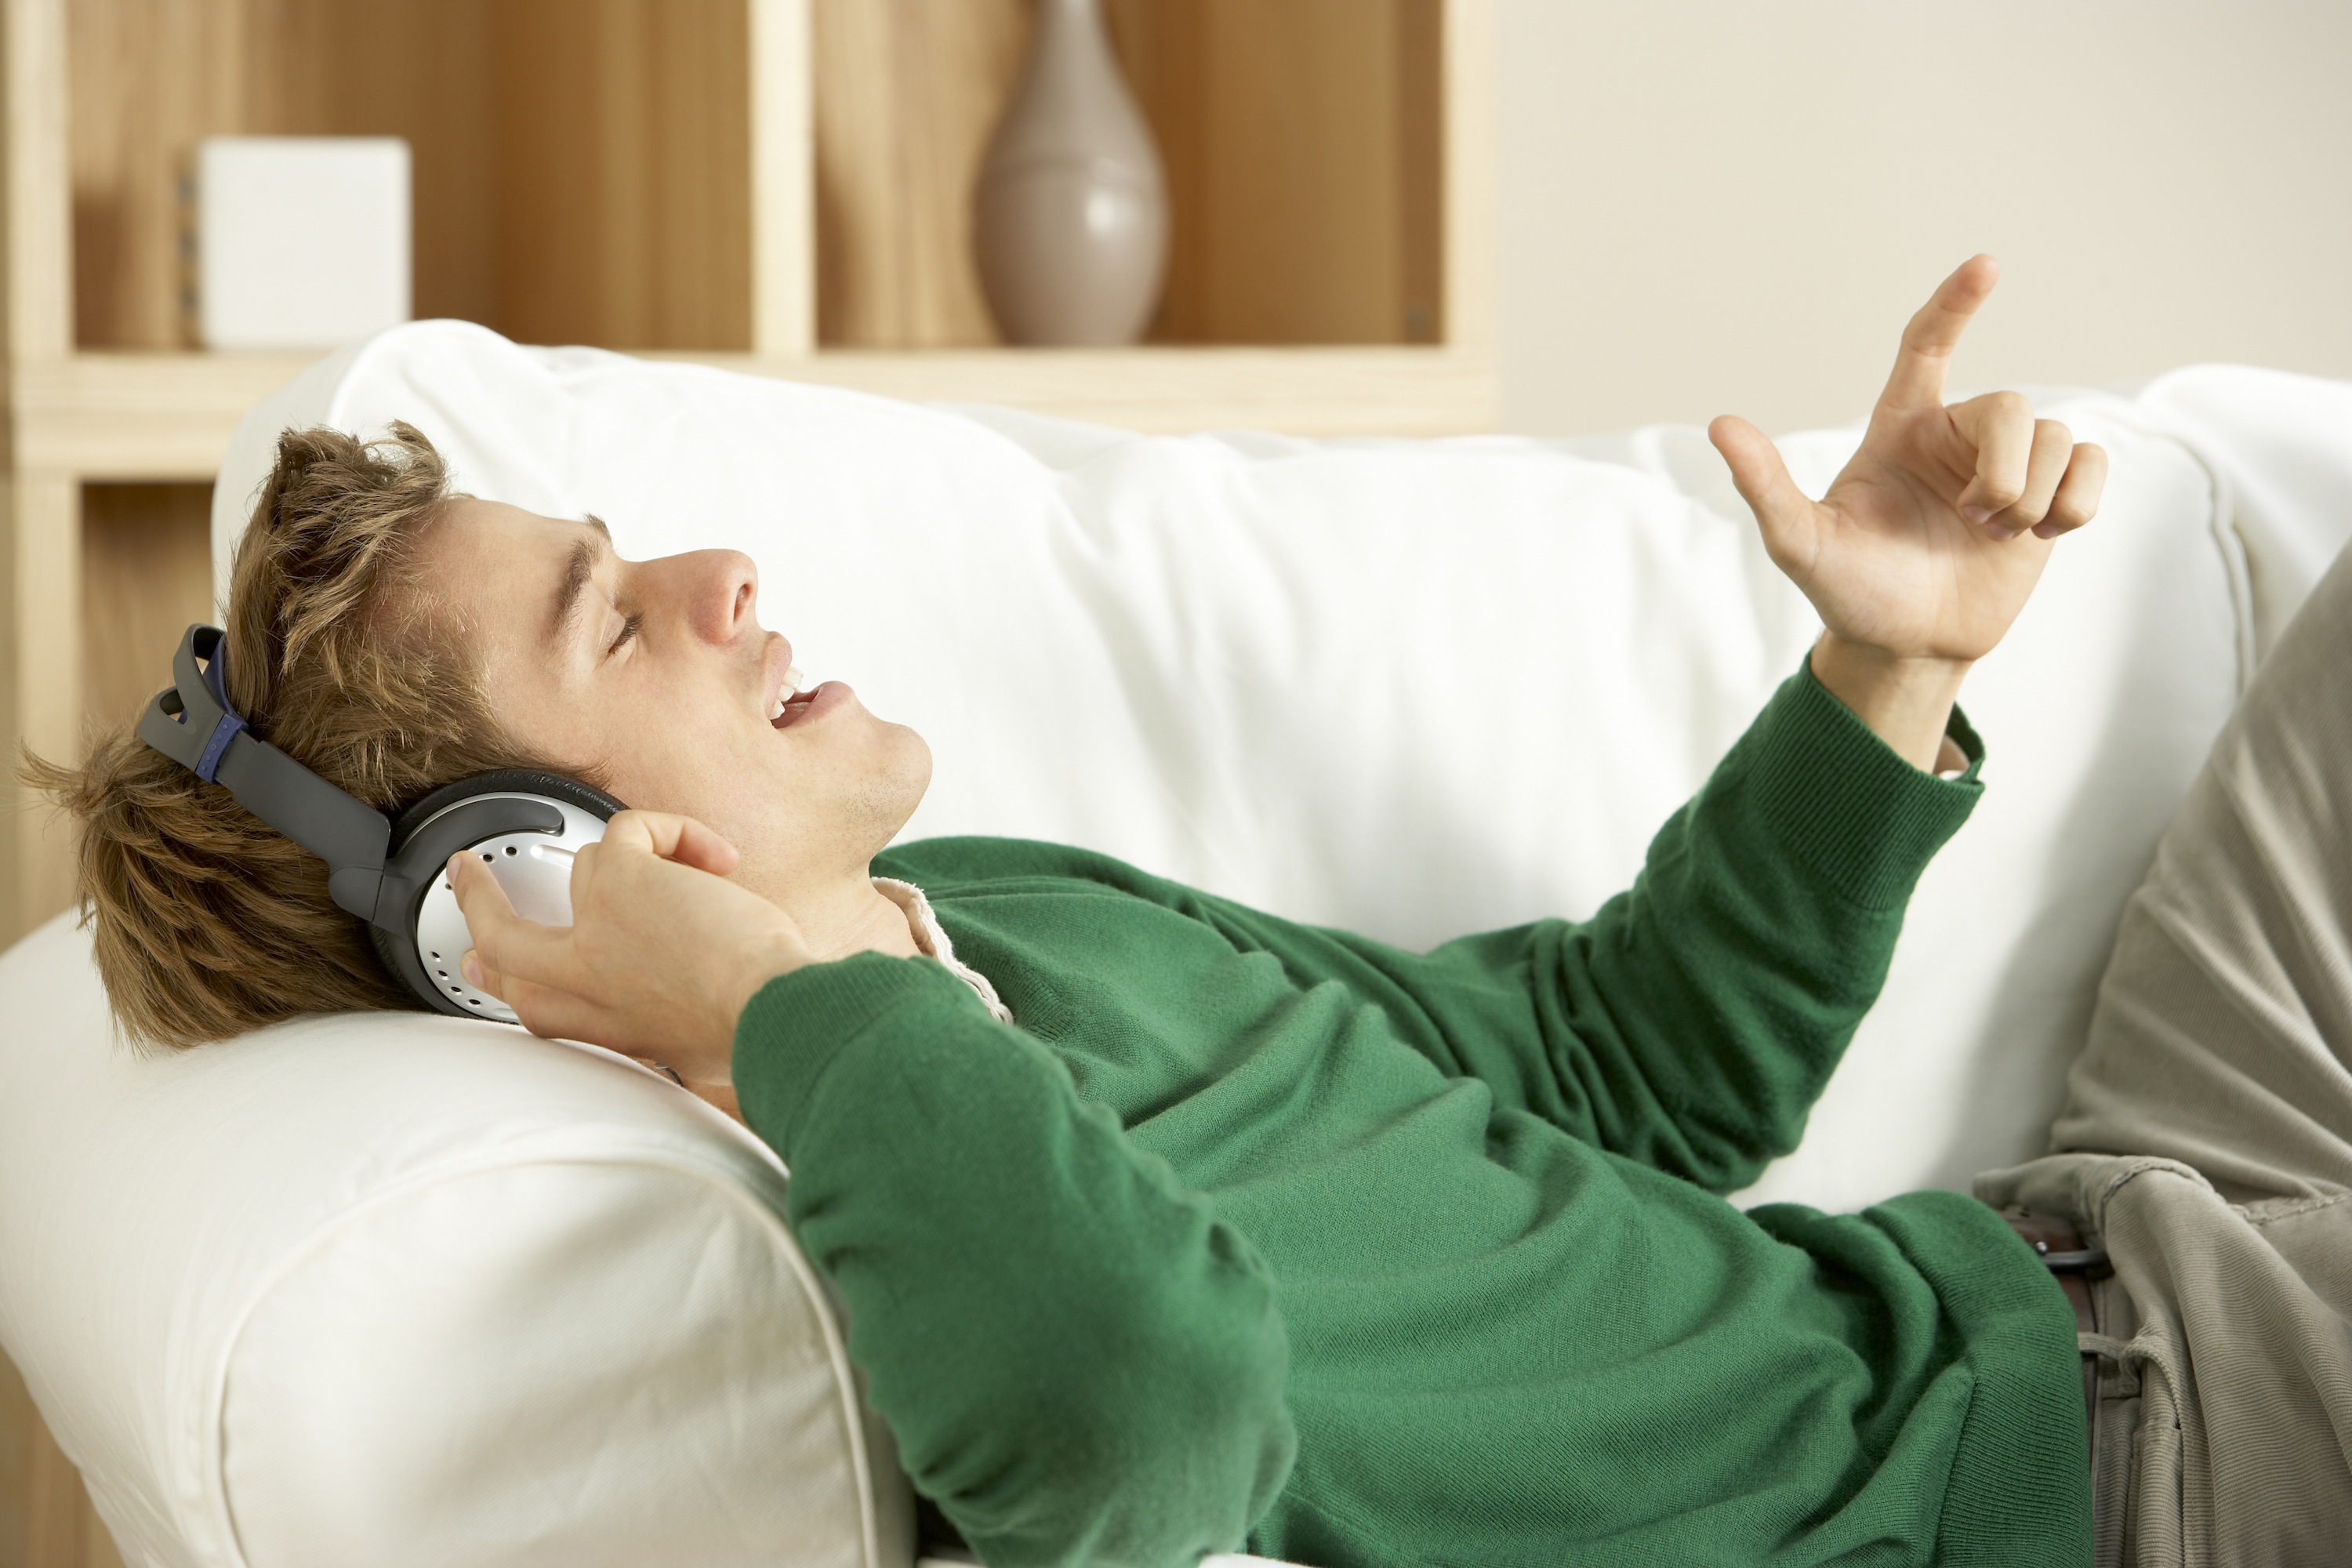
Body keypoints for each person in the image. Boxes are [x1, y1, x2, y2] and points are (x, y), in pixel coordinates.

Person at [49, 256, 2153, 1565]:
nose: (726, 581)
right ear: (501, 886)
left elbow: (1629, 1079)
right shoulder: (890, 1196)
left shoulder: (994, 915)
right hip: (2106, 1465)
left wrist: (1889, 667)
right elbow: (1149, 1442)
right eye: (620, 622)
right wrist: (793, 1009)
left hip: (2086, 1261)